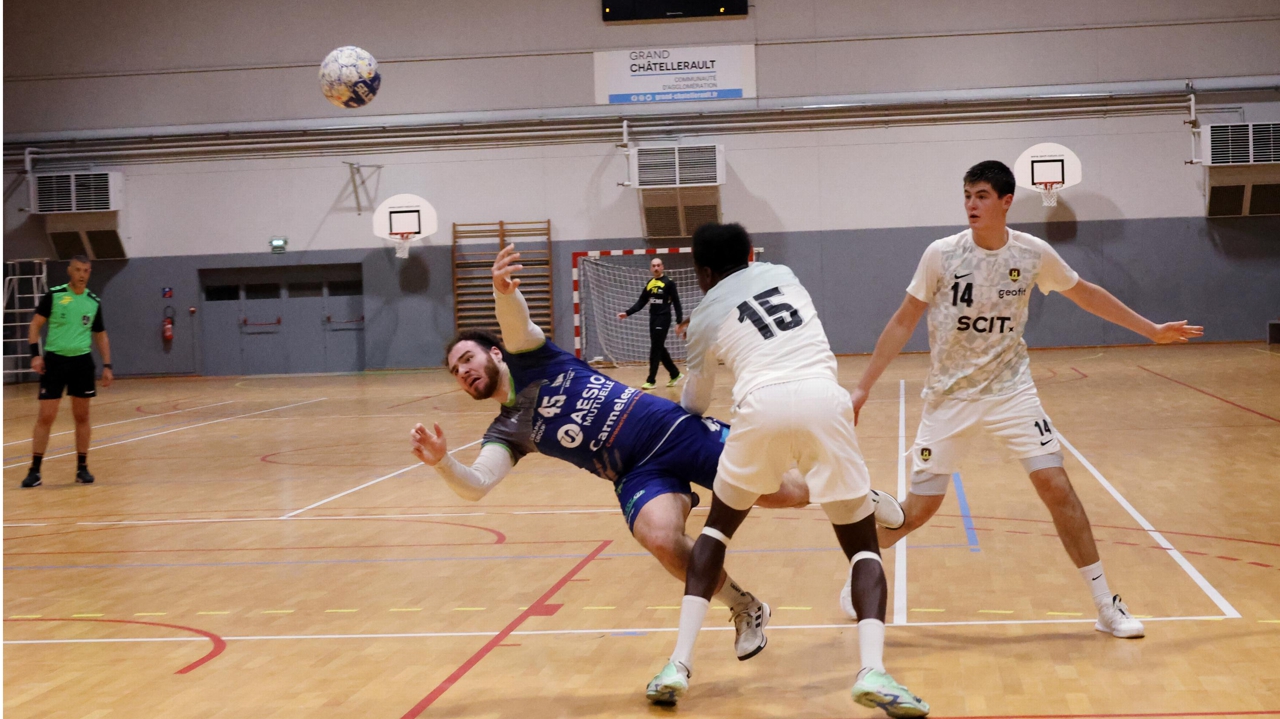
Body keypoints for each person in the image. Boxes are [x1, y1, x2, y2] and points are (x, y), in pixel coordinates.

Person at [412, 245, 853, 662]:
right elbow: (478, 486)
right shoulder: (507, 430)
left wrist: (502, 292)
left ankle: (862, 498)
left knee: (785, 493)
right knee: (660, 538)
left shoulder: (530, 357)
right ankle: (745, 606)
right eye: (456, 371)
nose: (464, 372)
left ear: (493, 354)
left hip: (671, 429)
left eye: (467, 359)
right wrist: (442, 463)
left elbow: (515, 324)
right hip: (636, 474)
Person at [850, 160, 1204, 640]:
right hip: (949, 399)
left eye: (981, 196)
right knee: (917, 512)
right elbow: (902, 321)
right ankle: (858, 573)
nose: (971, 204)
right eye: (967, 196)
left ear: (1005, 201)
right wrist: (864, 385)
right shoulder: (941, 254)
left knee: (1057, 487)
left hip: (1011, 392)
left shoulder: (1032, 253)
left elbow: (1087, 294)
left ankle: (1105, 604)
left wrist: (1150, 330)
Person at [646, 223, 927, 716]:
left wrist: (690, 373)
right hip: (825, 399)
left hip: (760, 407)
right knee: (862, 547)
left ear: (703, 273)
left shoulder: (707, 312)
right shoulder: (783, 272)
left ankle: (678, 665)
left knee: (715, 531)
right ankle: (873, 671)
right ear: (752, 255)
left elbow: (695, 401)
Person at [22, 255, 113, 488]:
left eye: (87, 270)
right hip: (55, 362)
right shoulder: (54, 295)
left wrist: (107, 365)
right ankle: (35, 471)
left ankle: (82, 468)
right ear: (69, 271)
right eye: (79, 270)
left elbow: (100, 335)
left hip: (82, 363)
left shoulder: (93, 302)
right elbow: (35, 326)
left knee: (82, 417)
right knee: (46, 416)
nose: (83, 274)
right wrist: (35, 355)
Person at [618, 256, 683, 390]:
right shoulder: (650, 283)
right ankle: (675, 373)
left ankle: (651, 380)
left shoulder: (669, 283)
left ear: (662, 267)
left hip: (664, 318)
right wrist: (627, 313)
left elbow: (676, 302)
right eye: (653, 266)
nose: (656, 268)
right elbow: (641, 301)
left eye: (658, 265)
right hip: (652, 319)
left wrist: (679, 321)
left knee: (655, 349)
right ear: (650, 268)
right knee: (659, 347)